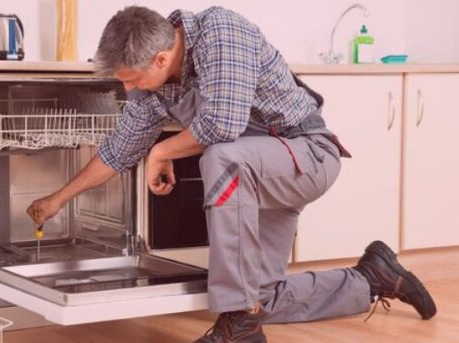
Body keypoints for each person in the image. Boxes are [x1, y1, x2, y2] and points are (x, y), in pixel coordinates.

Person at [27, 6, 437, 342]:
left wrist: (163, 150)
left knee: (220, 157)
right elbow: (119, 151)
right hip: (254, 175)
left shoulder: (221, 32)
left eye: (130, 79)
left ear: (161, 58)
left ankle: (237, 320)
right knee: (266, 300)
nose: (129, 88)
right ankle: (373, 277)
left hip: (307, 155)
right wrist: (57, 199)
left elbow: (223, 126)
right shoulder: (154, 88)